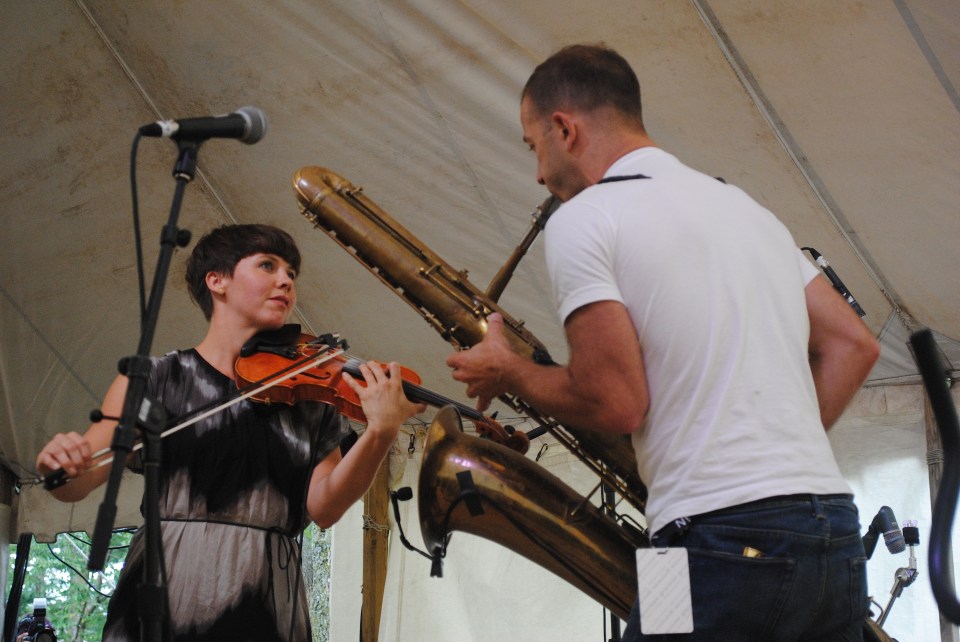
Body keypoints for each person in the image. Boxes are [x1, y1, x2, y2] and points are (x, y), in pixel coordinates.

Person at [446, 44, 881, 640]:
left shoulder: (583, 217)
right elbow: (855, 345)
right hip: (828, 525)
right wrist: (768, 457)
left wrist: (508, 371)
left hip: (710, 538)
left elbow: (617, 403)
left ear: (563, 128)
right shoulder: (746, 207)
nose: (539, 174)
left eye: (533, 147)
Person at [35, 224, 424, 641]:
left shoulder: (307, 397)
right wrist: (61, 463)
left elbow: (325, 508)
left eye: (291, 272)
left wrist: (380, 433)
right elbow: (83, 477)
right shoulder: (154, 379)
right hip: (167, 591)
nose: (286, 280)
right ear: (216, 280)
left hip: (265, 601)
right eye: (268, 265)